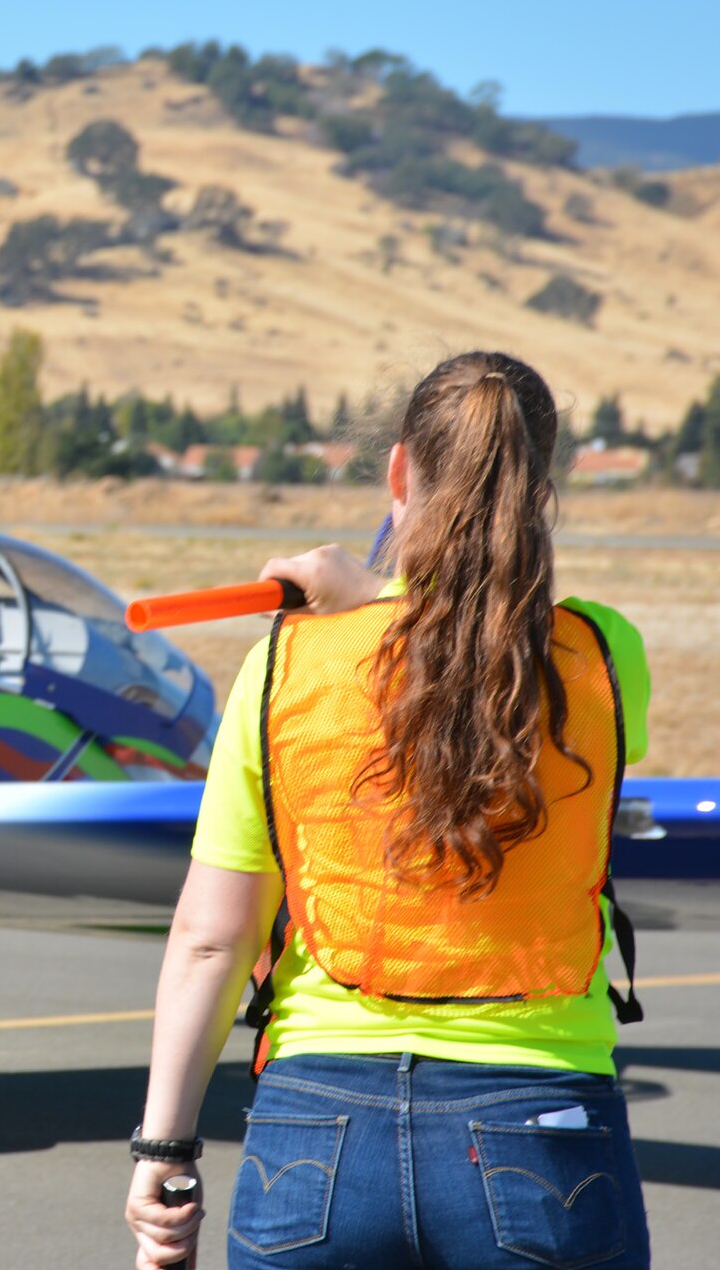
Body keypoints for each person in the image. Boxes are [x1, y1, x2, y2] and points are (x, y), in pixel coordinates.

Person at [124, 353, 651, 1269]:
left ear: (399, 472)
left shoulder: (283, 668)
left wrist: (162, 1150)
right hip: (541, 1120)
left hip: (315, 1129)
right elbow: (481, 651)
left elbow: (212, 939)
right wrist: (371, 600)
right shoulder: (606, 655)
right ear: (542, 488)